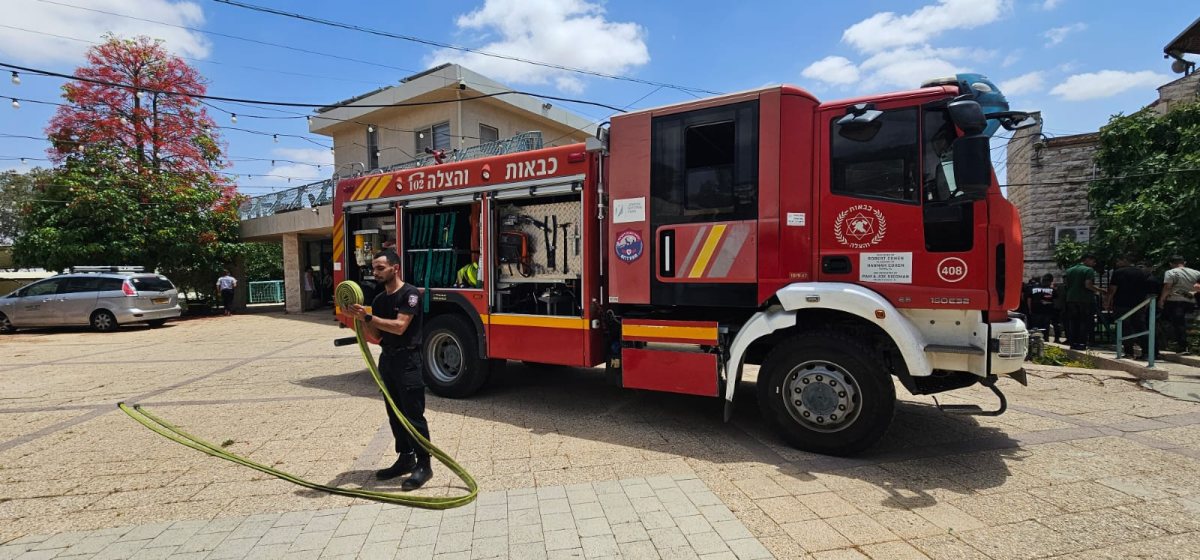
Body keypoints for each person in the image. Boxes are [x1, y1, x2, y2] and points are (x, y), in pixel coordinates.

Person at [344, 250, 432, 490]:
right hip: (388, 361)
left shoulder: (410, 294)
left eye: (380, 268)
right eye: (373, 268)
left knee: (413, 415)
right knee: (394, 413)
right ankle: (405, 458)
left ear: (395, 268)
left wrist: (369, 318)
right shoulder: (380, 300)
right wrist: (360, 320)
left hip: (408, 361)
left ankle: (424, 464)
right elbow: (377, 335)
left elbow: (401, 327)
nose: (375, 273)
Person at [1106, 255, 1153, 359]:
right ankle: (1146, 352)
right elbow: (1148, 290)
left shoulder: (1119, 272)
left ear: (1125, 260)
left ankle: (1129, 352)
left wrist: (1107, 302)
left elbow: (1112, 289)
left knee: (1124, 327)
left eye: (1119, 260)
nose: (1117, 262)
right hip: (1138, 305)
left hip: (1121, 304)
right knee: (1140, 327)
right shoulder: (1143, 273)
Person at [1159, 255, 1200, 355]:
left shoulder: (1170, 272)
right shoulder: (1196, 272)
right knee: (1185, 323)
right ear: (1184, 262)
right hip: (1191, 301)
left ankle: (1181, 346)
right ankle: (1184, 344)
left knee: (1176, 323)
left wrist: (1161, 300)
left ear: (1171, 264)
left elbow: (1167, 287)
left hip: (1174, 301)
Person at [1063, 254, 1105, 350]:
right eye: (1093, 261)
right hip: (1084, 299)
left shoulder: (1070, 270)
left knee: (1073, 321)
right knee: (1084, 321)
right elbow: (1088, 285)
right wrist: (1101, 290)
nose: (1094, 264)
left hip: (1071, 299)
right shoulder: (1088, 270)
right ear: (1087, 260)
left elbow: (1066, 284)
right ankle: (1082, 343)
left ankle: (1073, 342)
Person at [1027, 274, 1056, 340]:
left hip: (1036, 310)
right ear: (1049, 281)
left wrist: (1030, 309)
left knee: (1036, 326)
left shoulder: (1033, 288)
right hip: (1047, 311)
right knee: (1046, 326)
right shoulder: (1052, 290)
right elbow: (1055, 300)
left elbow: (1029, 299)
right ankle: (1045, 339)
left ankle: (1035, 339)